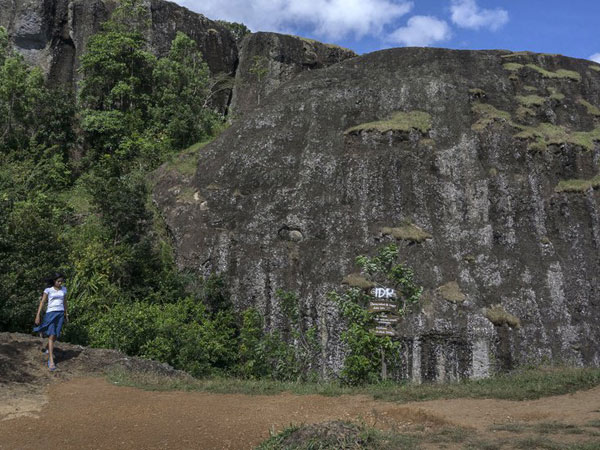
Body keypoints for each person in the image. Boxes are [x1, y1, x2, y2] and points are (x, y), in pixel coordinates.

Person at [33, 273, 68, 371]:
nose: (60, 283)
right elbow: (42, 302)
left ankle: (48, 347)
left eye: (61, 281)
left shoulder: (64, 289)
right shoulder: (48, 290)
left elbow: (65, 302)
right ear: (54, 281)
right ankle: (51, 360)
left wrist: (66, 314)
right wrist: (38, 315)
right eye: (58, 281)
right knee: (52, 335)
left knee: (56, 334)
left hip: (60, 314)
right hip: (51, 314)